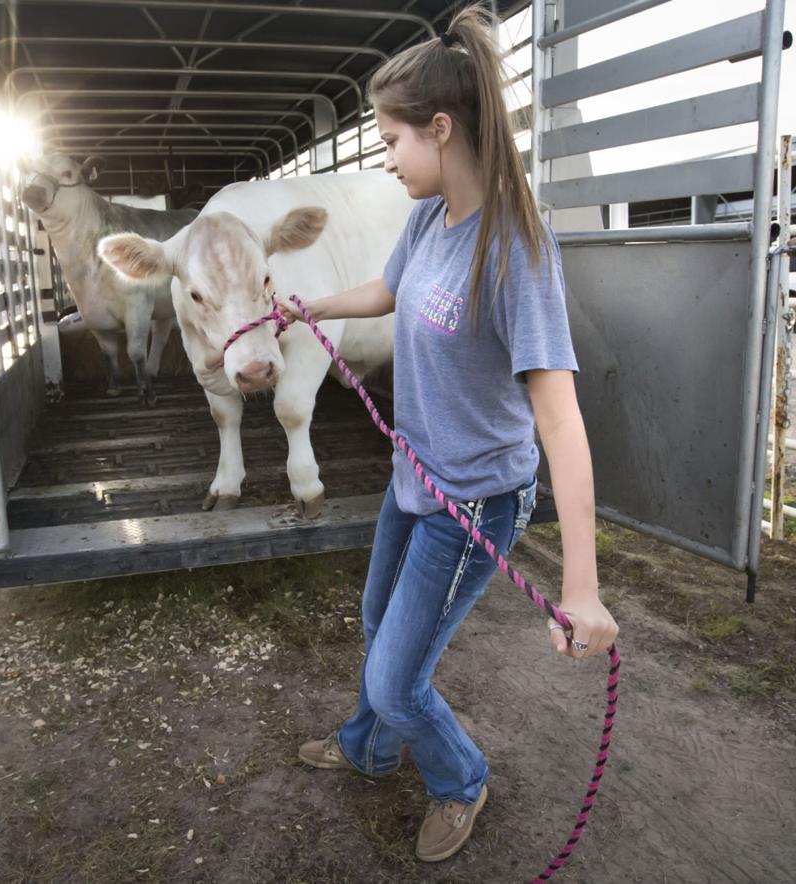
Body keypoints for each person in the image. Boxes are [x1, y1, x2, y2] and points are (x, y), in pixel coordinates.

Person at [276, 4, 619, 864]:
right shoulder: (430, 219)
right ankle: (369, 747)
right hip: (415, 475)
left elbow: (560, 420)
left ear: (440, 128)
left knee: (398, 677)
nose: (384, 160)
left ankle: (460, 779)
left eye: (392, 141)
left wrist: (583, 587)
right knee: (375, 621)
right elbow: (388, 294)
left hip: (474, 502)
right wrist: (307, 304)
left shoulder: (517, 251)